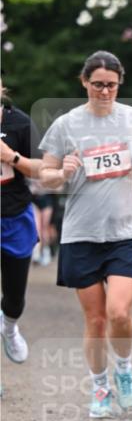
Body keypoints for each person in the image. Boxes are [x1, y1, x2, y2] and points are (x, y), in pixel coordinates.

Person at [38, 51, 132, 418]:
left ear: (120, 84)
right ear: (84, 82)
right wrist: (63, 172)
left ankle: (124, 370)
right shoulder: (66, 124)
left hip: (126, 230)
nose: (105, 91)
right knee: (96, 319)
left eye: (112, 85)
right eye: (98, 84)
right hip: (82, 232)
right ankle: (100, 386)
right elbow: (45, 175)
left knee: (119, 312)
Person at [0, 87, 43, 367]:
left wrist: (11, 157)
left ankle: (10, 327)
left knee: (14, 299)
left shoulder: (20, 123)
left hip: (14, 217)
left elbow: (42, 168)